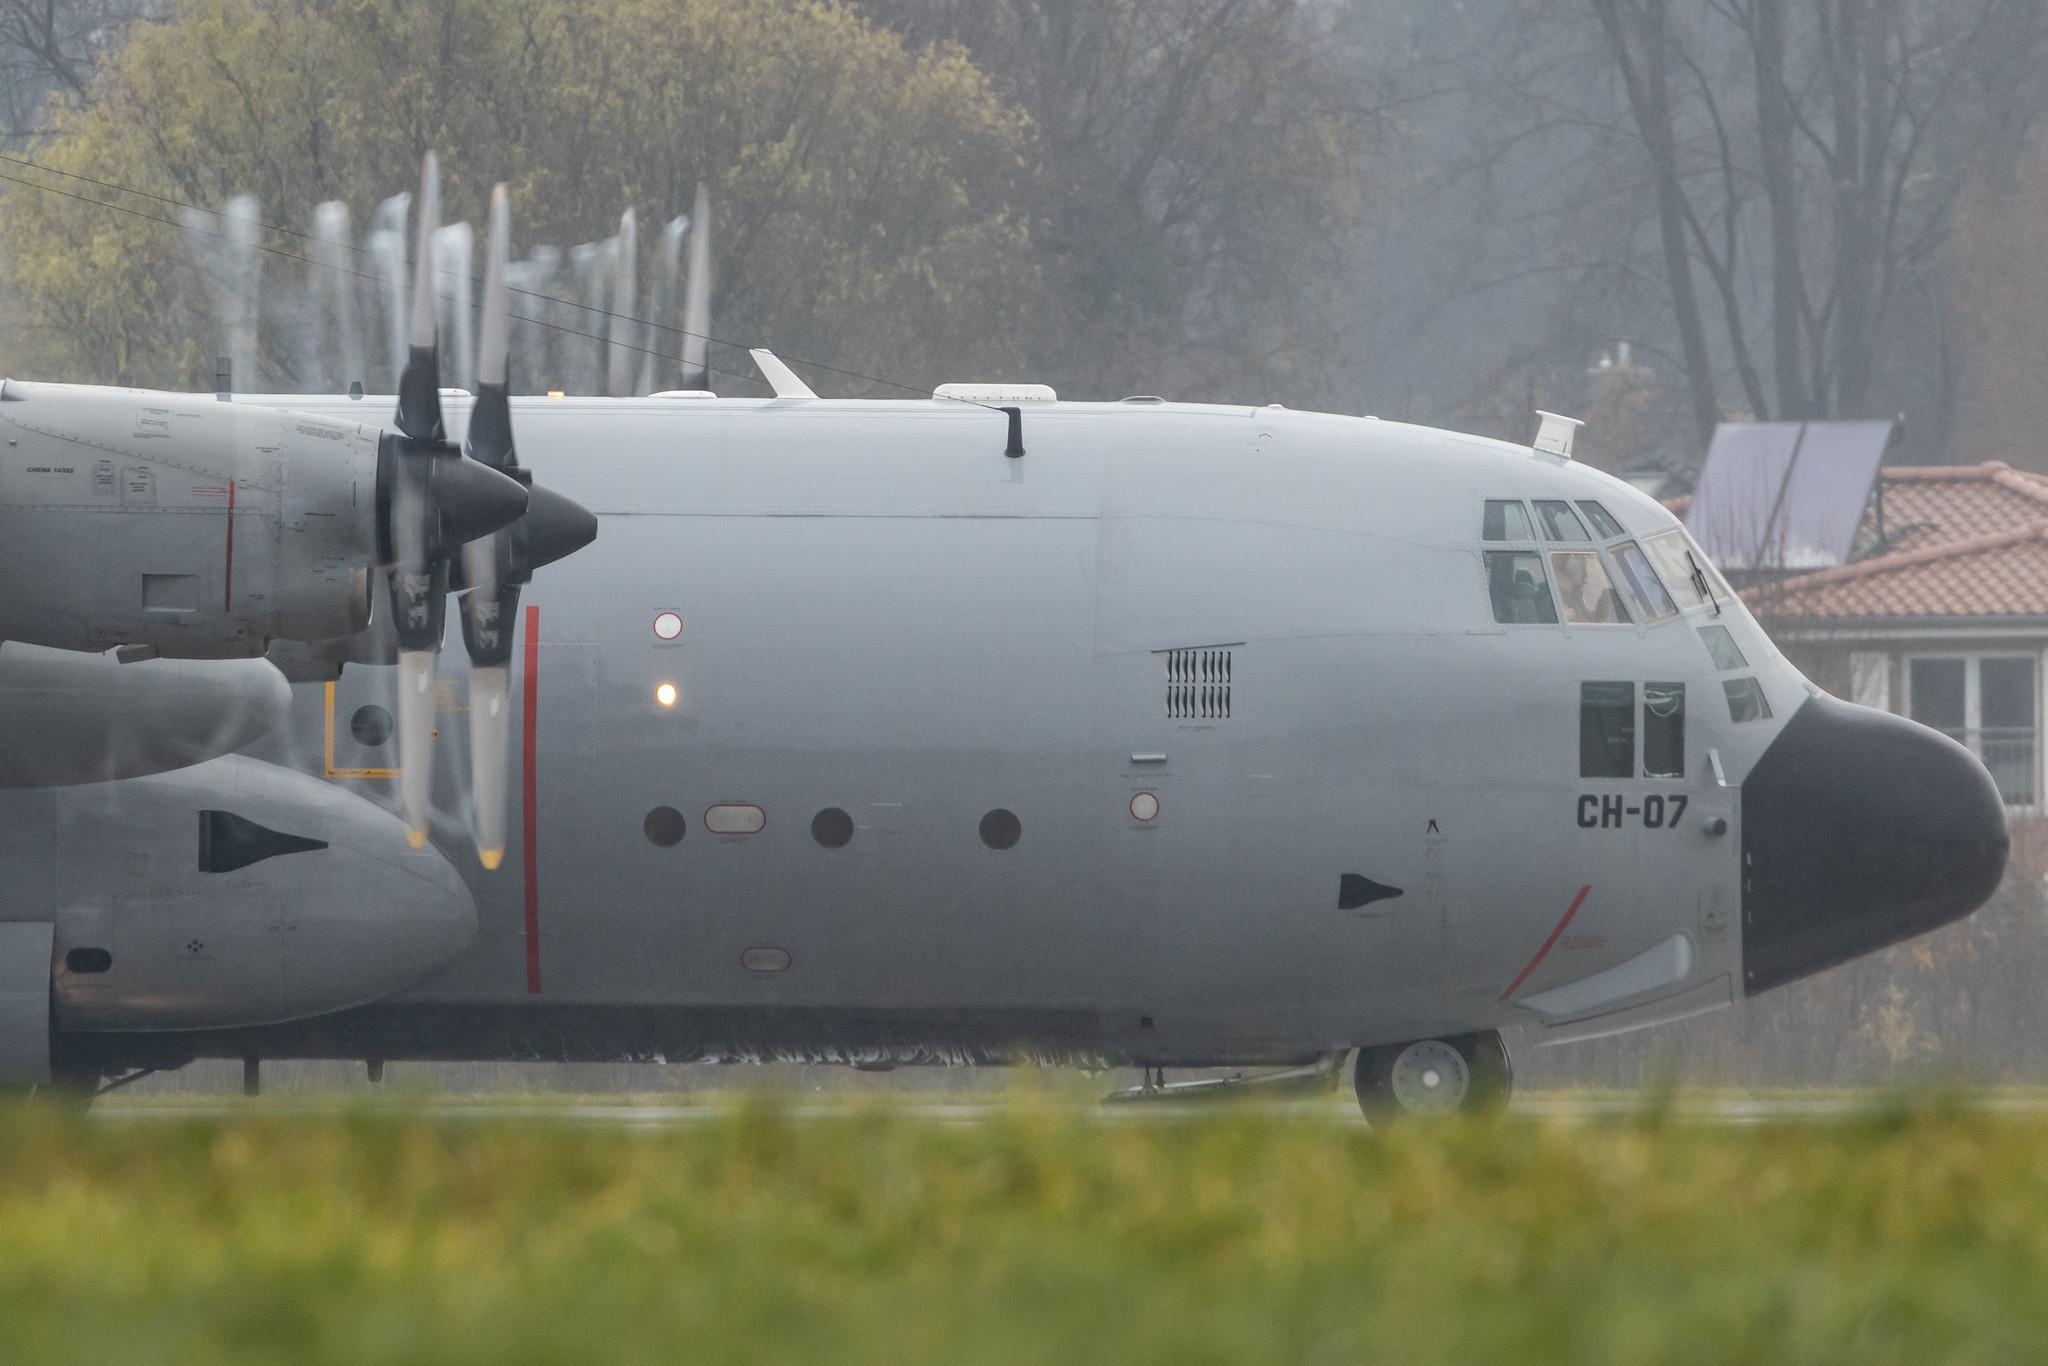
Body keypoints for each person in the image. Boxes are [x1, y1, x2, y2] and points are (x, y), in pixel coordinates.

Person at [1553, 552, 1625, 624]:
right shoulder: (1570, 598)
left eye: (1598, 572)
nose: (1597, 577)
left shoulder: (1618, 600)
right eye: (1592, 572)